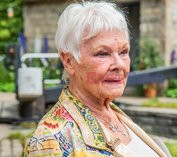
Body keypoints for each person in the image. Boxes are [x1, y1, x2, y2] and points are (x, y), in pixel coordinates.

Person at [24, 1, 168, 157]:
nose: (119, 64)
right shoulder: (50, 140)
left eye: (123, 52)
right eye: (103, 53)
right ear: (69, 61)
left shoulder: (115, 114)